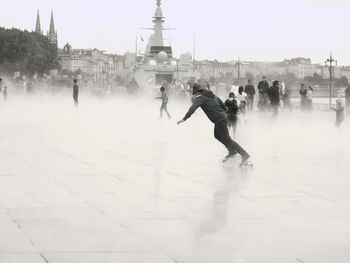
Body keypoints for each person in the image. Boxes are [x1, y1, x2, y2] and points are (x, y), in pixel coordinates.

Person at [177, 84, 250, 165]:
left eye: (195, 93)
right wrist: (224, 109)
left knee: (227, 139)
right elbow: (219, 100)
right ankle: (232, 151)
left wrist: (184, 118)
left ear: (198, 92)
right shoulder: (211, 95)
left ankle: (244, 154)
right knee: (217, 136)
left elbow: (193, 108)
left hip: (220, 119)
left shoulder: (201, 98)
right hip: (220, 119)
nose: (195, 95)